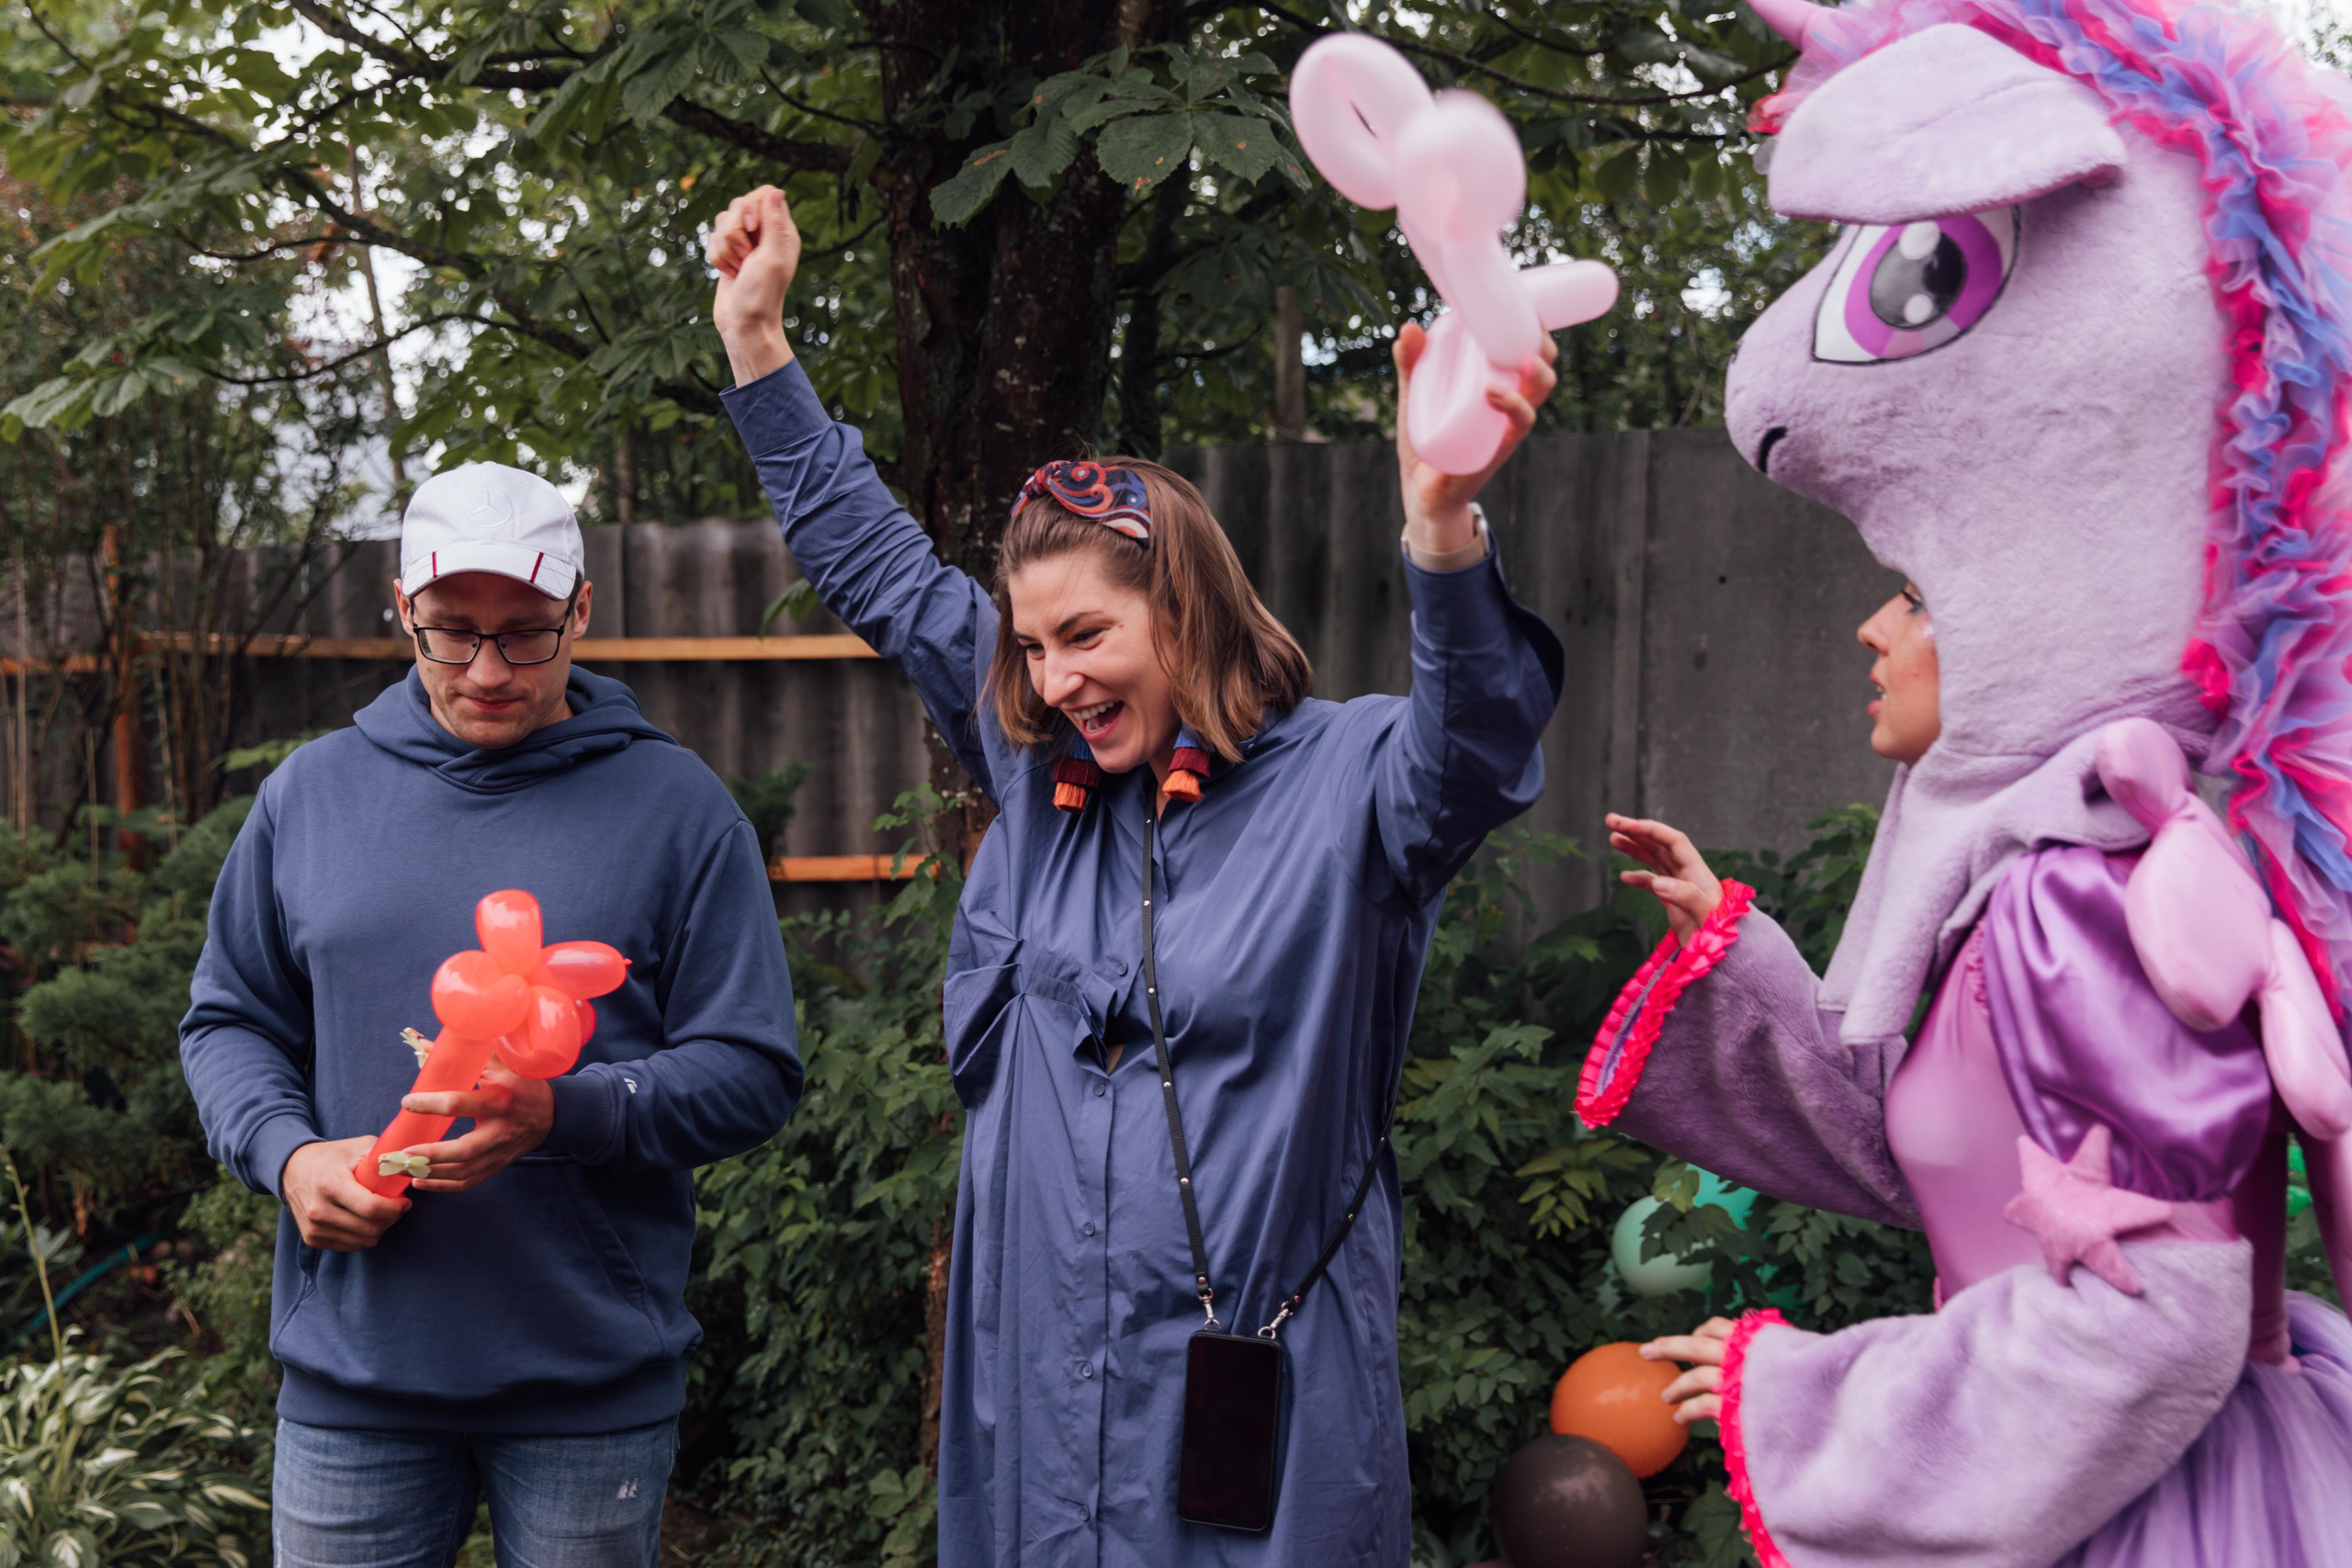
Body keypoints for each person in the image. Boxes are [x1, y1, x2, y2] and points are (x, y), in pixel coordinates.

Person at [705, 183, 1563, 1563]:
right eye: (1032, 645)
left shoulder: (1351, 786)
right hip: (1044, 1402)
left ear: (1184, 605)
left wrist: (1444, 530)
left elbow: (1479, 746)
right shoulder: (1042, 781)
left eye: (1087, 633)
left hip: (1252, 1412)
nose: (1052, 679)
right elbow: (877, 567)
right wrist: (759, 345)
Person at [180, 462, 803, 1568]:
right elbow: (228, 1022)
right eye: (448, 633)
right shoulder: (308, 797)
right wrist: (287, 1156)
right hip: (355, 1373)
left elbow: (752, 1070)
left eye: (526, 633)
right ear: (400, 608)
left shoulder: (678, 809)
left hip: (589, 1382)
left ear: (584, 610)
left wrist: (570, 1111)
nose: (487, 670)